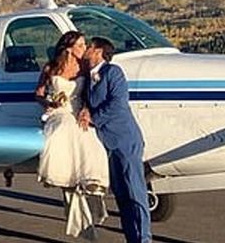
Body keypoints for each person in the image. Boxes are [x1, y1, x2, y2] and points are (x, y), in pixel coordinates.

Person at [35, 31, 110, 239]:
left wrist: (86, 109)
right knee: (64, 127)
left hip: (77, 111)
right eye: (80, 45)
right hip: (59, 113)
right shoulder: (51, 68)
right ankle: (66, 178)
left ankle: (91, 182)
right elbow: (38, 94)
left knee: (88, 136)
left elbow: (90, 95)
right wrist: (48, 103)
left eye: (85, 45)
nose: (84, 48)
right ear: (69, 48)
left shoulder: (85, 68)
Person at [80, 36, 151, 243]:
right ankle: (132, 238)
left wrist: (93, 117)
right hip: (107, 144)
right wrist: (85, 109)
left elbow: (118, 103)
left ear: (99, 51)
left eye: (89, 47)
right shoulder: (88, 78)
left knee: (135, 192)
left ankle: (144, 238)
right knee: (121, 196)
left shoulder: (113, 72)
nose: (86, 50)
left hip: (125, 140)